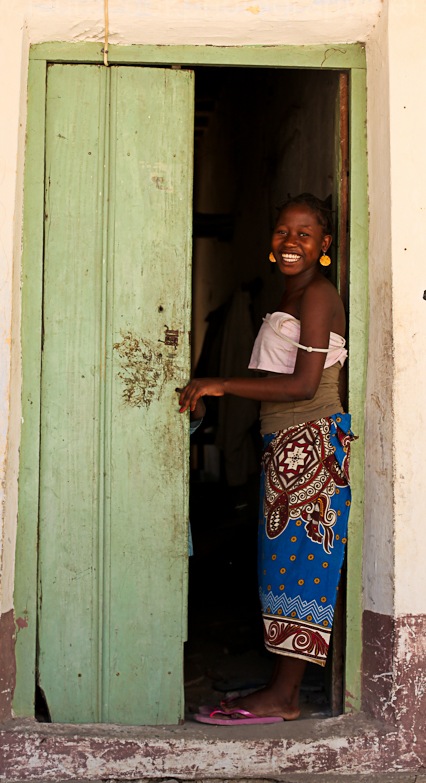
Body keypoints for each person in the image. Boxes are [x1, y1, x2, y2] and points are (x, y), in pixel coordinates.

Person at [179, 193, 356, 725]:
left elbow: (304, 385)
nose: (291, 242)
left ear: (324, 245)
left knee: (301, 569)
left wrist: (221, 383)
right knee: (282, 571)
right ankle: (283, 689)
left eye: (305, 234)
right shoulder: (293, 293)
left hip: (313, 443)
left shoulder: (318, 294)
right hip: (288, 445)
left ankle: (284, 696)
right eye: (283, 231)